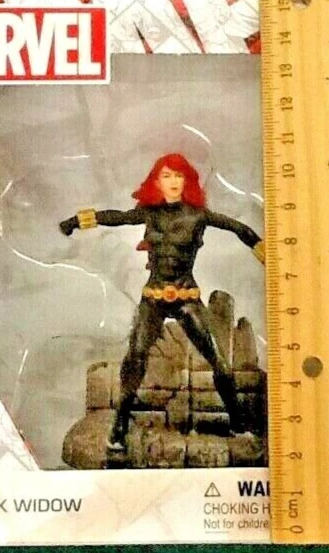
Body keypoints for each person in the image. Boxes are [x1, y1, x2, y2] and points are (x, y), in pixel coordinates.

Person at [60, 153, 264, 451]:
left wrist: (268, 255)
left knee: (219, 361)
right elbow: (117, 217)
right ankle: (119, 427)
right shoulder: (149, 212)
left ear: (187, 180)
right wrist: (77, 221)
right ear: (157, 181)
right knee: (135, 357)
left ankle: (239, 425)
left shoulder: (199, 216)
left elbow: (240, 229)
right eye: (166, 176)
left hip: (187, 296)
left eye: (178, 175)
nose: (173, 182)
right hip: (153, 296)